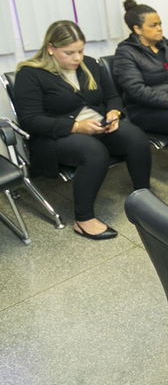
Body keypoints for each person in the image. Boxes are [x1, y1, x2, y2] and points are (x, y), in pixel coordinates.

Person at [15, 20, 151, 240]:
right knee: (94, 152)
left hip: (97, 126)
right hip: (55, 135)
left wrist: (114, 114)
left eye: (80, 51)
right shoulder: (30, 74)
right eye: (69, 53)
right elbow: (30, 120)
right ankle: (83, 219)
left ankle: (143, 196)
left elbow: (112, 97)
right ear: (50, 48)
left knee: (136, 137)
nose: (77, 58)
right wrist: (76, 127)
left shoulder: (90, 64)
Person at [114, 0, 168, 188]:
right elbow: (136, 90)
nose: (160, 29)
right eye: (153, 25)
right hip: (145, 111)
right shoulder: (126, 53)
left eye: (160, 24)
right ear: (137, 29)